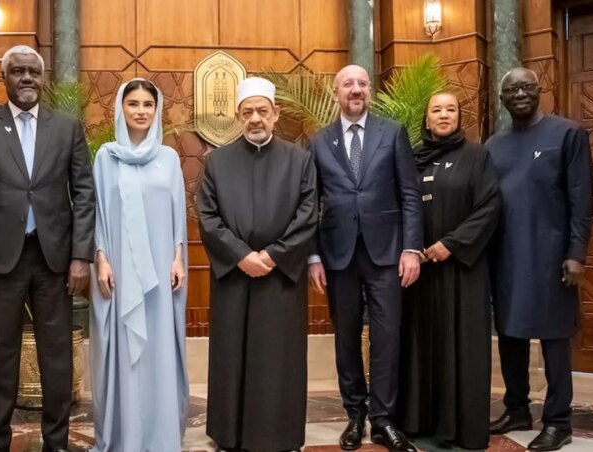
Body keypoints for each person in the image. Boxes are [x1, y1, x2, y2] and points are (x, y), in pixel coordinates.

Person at [0, 45, 95, 452]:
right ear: (5, 78)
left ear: (43, 77)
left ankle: (57, 443)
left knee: (57, 356)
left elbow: (84, 194)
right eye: (18, 71)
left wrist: (80, 255)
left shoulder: (66, 127)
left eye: (34, 71)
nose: (27, 78)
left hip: (54, 260)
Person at [197, 77, 317, 452]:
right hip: (234, 275)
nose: (255, 119)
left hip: (280, 276)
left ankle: (280, 436)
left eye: (262, 111)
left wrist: (273, 255)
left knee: (278, 359)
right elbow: (208, 217)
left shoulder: (300, 160)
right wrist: (241, 256)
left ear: (275, 113)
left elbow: (308, 214)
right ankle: (229, 435)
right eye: (247, 112)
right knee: (231, 355)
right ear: (238, 116)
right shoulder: (217, 162)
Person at [307, 64, 422, 452]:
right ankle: (354, 415)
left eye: (361, 84)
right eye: (347, 84)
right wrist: (313, 256)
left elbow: (410, 194)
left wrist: (411, 249)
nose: (355, 90)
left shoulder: (392, 133)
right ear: (336, 92)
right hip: (338, 255)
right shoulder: (319, 142)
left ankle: (383, 420)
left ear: (369, 90)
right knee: (346, 338)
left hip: (387, 253)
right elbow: (310, 203)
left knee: (387, 337)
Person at [486, 67, 593, 452]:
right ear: (502, 99)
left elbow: (582, 199)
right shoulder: (493, 146)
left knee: (554, 339)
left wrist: (576, 253)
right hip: (505, 258)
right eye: (511, 89)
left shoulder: (567, 134)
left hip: (552, 258)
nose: (519, 94)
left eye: (526, 87)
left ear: (539, 90)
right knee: (510, 336)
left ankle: (558, 421)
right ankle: (517, 409)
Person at [89, 78, 189, 451]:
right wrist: (101, 258)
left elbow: (178, 213)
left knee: (158, 348)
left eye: (148, 104)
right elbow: (98, 212)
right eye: (133, 104)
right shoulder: (106, 157)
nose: (141, 111)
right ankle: (124, 437)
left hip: (161, 272)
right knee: (123, 352)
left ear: (157, 110)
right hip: (118, 271)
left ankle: (160, 437)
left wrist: (178, 257)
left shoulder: (169, 158)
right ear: (121, 108)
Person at [397, 92, 501, 450]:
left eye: (450, 109)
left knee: (462, 347)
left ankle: (462, 429)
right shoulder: (412, 158)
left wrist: (451, 244)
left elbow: (489, 207)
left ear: (459, 117)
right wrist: (411, 249)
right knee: (421, 345)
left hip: (463, 271)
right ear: (426, 119)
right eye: (436, 110)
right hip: (420, 273)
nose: (444, 115)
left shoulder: (477, 155)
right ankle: (419, 422)